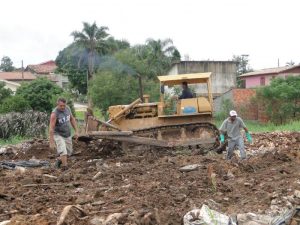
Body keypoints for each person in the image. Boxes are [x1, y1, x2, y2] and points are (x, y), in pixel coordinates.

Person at [49, 97, 79, 170]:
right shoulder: (54, 114)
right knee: (63, 151)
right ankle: (65, 167)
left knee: (69, 152)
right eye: (61, 106)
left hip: (67, 134)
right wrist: (51, 142)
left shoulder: (68, 109)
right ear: (57, 104)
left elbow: (72, 119)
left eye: (64, 105)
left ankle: (59, 161)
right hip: (58, 134)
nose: (62, 107)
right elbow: (51, 128)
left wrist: (76, 131)